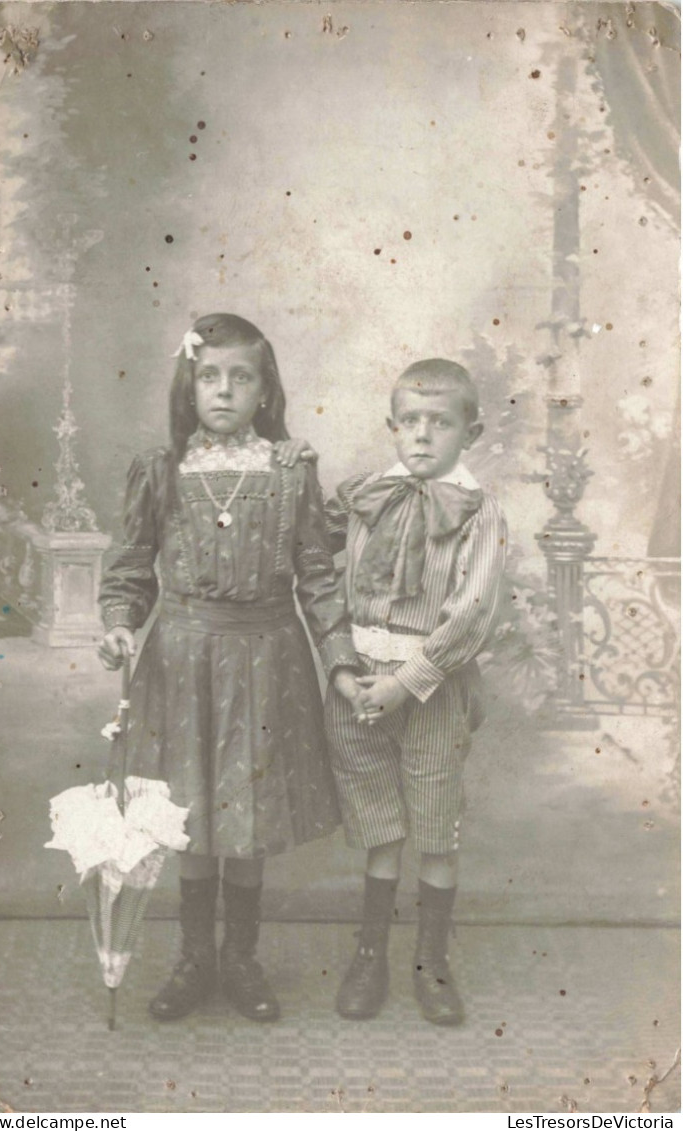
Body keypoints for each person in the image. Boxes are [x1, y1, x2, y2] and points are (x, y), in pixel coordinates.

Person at [97, 313, 361, 1024]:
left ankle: (240, 957)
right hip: (182, 661)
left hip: (268, 657)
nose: (223, 390)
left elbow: (316, 574)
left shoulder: (289, 469)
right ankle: (193, 958)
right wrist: (121, 623)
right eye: (209, 376)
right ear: (189, 385)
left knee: (249, 807)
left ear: (264, 389)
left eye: (240, 377)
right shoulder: (161, 469)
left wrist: (339, 661)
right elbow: (130, 567)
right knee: (187, 811)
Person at [324, 358, 507, 1025]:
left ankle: (431, 961)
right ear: (391, 427)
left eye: (441, 422)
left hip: (427, 688)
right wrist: (343, 664)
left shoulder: (478, 512)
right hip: (361, 684)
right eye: (411, 422)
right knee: (379, 822)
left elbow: (473, 611)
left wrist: (407, 682)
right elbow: (319, 571)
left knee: (435, 826)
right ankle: (369, 953)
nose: (423, 436)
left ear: (471, 431)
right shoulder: (366, 495)